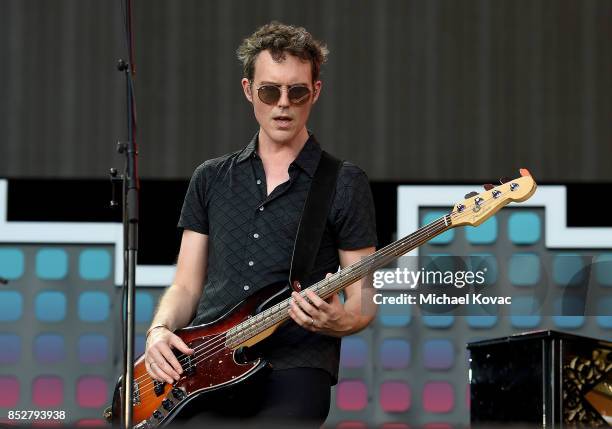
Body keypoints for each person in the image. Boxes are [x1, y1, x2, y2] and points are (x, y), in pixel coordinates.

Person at [144, 21, 377, 427]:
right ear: (249, 90)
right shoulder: (211, 177)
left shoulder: (342, 182)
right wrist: (159, 331)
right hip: (207, 364)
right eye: (270, 91)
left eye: (297, 91)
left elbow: (363, 298)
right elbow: (185, 285)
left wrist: (341, 321)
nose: (283, 104)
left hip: (294, 365)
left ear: (315, 93)